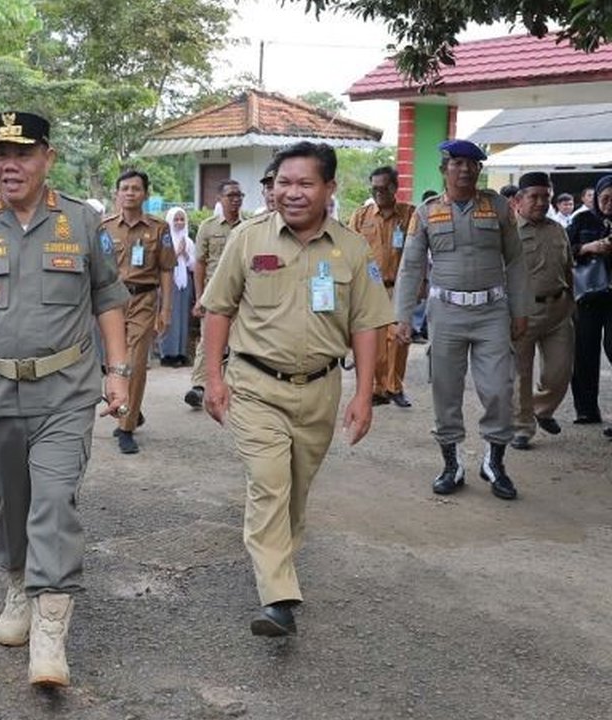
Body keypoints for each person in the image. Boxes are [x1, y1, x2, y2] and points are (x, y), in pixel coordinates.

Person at [0, 111, 130, 687]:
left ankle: (50, 630)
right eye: (1, 155)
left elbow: (108, 297)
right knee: (9, 498)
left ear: (47, 158)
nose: (10, 165)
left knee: (54, 499)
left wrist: (119, 370)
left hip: (66, 392)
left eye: (24, 153)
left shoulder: (83, 223)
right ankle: (17, 580)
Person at [200, 141, 392, 637]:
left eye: (305, 183)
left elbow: (368, 325)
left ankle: (279, 570)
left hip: (321, 389)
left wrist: (364, 394)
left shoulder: (351, 248)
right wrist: (214, 379)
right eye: (284, 182)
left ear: (329, 188)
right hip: (255, 385)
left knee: (297, 492)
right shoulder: (248, 239)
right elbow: (218, 308)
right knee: (269, 484)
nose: (292, 193)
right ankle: (278, 595)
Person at [395, 140, 529, 501]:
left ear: (479, 170)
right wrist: (402, 317)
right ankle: (451, 464)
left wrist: (521, 310)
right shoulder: (425, 213)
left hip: (492, 312)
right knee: (445, 389)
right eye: (457, 163)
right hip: (446, 314)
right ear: (444, 170)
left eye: (472, 164)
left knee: (500, 387)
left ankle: (494, 462)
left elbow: (515, 261)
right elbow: (410, 267)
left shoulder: (499, 207)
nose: (465, 170)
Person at [101, 169, 173, 454]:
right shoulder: (104, 228)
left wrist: (165, 308)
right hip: (112, 303)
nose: (130, 193)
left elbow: (167, 269)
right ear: (116, 193)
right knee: (115, 363)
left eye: (136, 188)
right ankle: (132, 409)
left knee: (133, 363)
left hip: (143, 300)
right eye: (125, 188)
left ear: (145, 194)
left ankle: (126, 427)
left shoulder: (158, 229)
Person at [509, 172, 574, 449]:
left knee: (561, 371)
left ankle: (541, 409)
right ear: (519, 200)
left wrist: (572, 302)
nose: (541, 202)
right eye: (534, 196)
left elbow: (568, 267)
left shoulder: (557, 229)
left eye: (545, 196)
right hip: (523, 312)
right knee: (520, 373)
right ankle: (522, 427)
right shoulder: (508, 233)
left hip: (559, 311)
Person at [347, 165, 416, 408]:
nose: (379, 192)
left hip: (400, 288)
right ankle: (376, 388)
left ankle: (394, 387)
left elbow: (420, 253)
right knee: (373, 341)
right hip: (370, 289)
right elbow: (349, 252)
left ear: (395, 188)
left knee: (398, 340)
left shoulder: (410, 215)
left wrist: (421, 285)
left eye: (384, 188)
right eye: (374, 188)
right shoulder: (361, 216)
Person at [184, 179, 244, 409]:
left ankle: (230, 385)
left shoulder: (246, 228)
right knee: (208, 339)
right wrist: (199, 297)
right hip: (212, 293)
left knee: (237, 339)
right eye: (230, 195)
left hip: (239, 293)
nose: (235, 199)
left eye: (239, 195)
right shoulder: (208, 227)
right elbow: (199, 263)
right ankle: (200, 386)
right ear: (219, 199)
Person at [566, 175, 612, 426]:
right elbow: (564, 249)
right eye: (605, 198)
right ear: (596, 196)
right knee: (583, 352)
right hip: (587, 295)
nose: (608, 203)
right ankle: (586, 410)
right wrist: (588, 247)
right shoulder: (581, 219)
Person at [158, 206, 194, 368]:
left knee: (182, 317)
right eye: (176, 219)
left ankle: (181, 352)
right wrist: (177, 253)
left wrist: (185, 254)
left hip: (184, 282)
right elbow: (162, 262)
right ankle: (167, 353)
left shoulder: (189, 241)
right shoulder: (165, 240)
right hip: (169, 281)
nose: (179, 222)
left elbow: (194, 265)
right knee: (170, 316)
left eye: (182, 219)